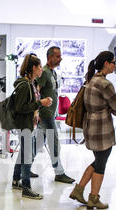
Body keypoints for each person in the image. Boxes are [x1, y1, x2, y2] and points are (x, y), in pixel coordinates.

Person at [69, 51, 116, 209]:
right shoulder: (105, 84)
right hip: (102, 130)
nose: (115, 65)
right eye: (113, 62)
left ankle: (79, 190)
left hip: (90, 127)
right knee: (101, 162)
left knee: (99, 161)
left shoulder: (91, 80)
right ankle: (93, 198)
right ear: (106, 63)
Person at [12, 54, 53, 200]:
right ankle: (26, 187)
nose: (42, 69)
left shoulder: (31, 83)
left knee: (24, 153)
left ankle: (16, 180)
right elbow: (21, 108)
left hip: (28, 123)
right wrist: (40, 103)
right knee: (27, 155)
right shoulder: (25, 85)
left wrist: (36, 112)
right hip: (24, 125)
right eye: (40, 66)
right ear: (33, 68)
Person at [34, 46, 75, 184]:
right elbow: (36, 92)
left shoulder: (53, 73)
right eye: (57, 56)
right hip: (45, 114)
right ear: (50, 57)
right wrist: (36, 111)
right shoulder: (44, 72)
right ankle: (59, 173)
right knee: (54, 143)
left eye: (60, 56)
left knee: (37, 144)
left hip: (50, 114)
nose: (60, 58)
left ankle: (24, 169)